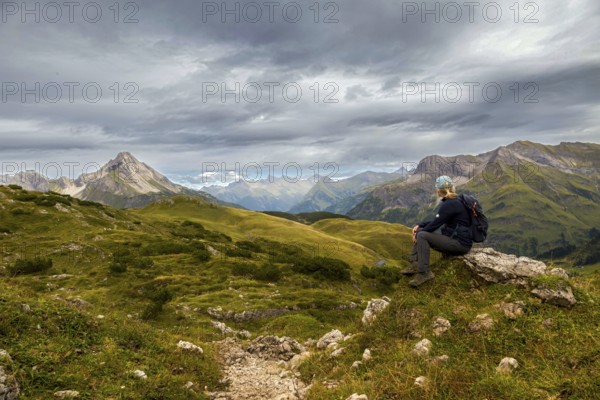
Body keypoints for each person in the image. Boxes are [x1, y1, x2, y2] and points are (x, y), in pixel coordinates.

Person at [403, 176, 473, 287]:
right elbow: (438, 220)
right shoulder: (455, 201)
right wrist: (420, 225)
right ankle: (415, 264)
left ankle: (424, 272)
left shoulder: (449, 204)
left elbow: (434, 225)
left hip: (459, 245)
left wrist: (416, 234)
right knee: (421, 231)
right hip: (460, 241)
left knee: (422, 235)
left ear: (438, 190)